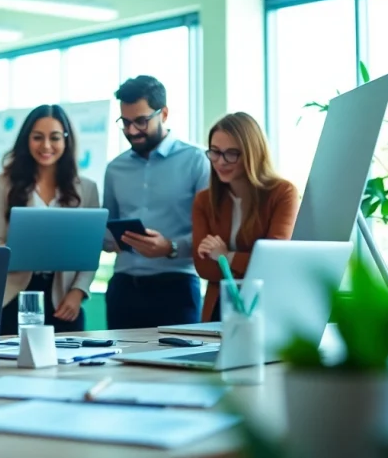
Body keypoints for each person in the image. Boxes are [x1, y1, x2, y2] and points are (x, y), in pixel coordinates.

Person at [102, 75, 211, 329]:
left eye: (141, 121)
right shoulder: (115, 169)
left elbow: (211, 233)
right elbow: (107, 228)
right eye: (125, 122)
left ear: (163, 114)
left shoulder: (197, 161)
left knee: (179, 366)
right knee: (121, 368)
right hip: (123, 288)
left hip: (176, 288)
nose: (131, 131)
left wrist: (170, 247)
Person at [0, 105, 99, 335]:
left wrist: (78, 292)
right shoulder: (4, 184)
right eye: (38, 137)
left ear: (66, 140)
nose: (46, 146)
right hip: (14, 295)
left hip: (65, 299)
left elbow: (91, 251)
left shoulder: (87, 188)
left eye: (55, 137)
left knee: (68, 367)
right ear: (26, 140)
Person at [192, 112, 299, 322]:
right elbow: (203, 267)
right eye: (214, 152)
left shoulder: (283, 193)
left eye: (231, 154)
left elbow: (272, 264)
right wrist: (249, 263)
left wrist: (224, 256)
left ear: (252, 154)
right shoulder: (204, 200)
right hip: (218, 310)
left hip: (267, 309)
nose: (220, 162)